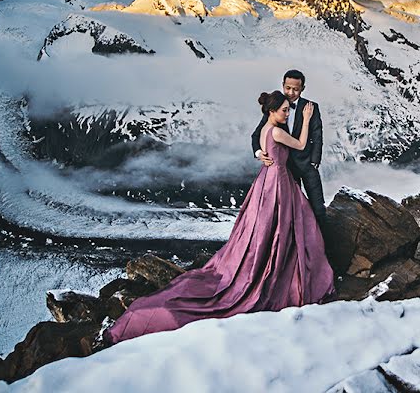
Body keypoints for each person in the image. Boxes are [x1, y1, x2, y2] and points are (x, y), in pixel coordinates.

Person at [103, 90, 335, 344]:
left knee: (269, 227)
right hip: (277, 182)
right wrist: (306, 117)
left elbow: (261, 140)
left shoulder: (267, 128)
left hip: (269, 181)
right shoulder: (277, 131)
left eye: (289, 110)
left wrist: (261, 151)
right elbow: (301, 145)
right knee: (282, 226)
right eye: (284, 110)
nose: (288, 113)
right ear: (271, 111)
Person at [251, 69, 326, 225]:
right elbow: (256, 135)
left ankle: (323, 247)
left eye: (296, 89)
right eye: (287, 88)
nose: (291, 92)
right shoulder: (275, 106)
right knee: (291, 212)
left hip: (307, 165)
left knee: (318, 208)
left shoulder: (311, 107)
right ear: (283, 85)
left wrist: (314, 161)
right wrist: (259, 153)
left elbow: (317, 135)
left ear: (303, 88)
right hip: (285, 170)